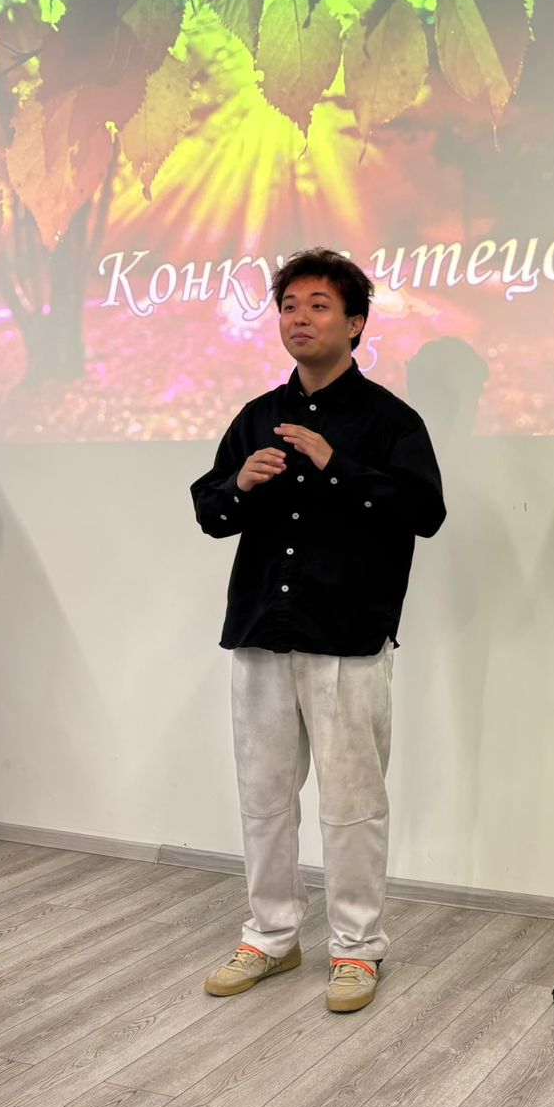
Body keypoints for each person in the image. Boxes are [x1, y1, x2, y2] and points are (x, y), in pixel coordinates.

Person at [190, 248, 445, 1012]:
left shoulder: (391, 421)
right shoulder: (256, 416)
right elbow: (210, 512)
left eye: (318, 306)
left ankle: (357, 948)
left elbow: (423, 513)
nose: (299, 318)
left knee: (351, 803)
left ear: (356, 324)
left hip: (349, 637)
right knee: (264, 797)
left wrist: (337, 465)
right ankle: (270, 936)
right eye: (289, 306)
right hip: (261, 631)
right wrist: (238, 485)